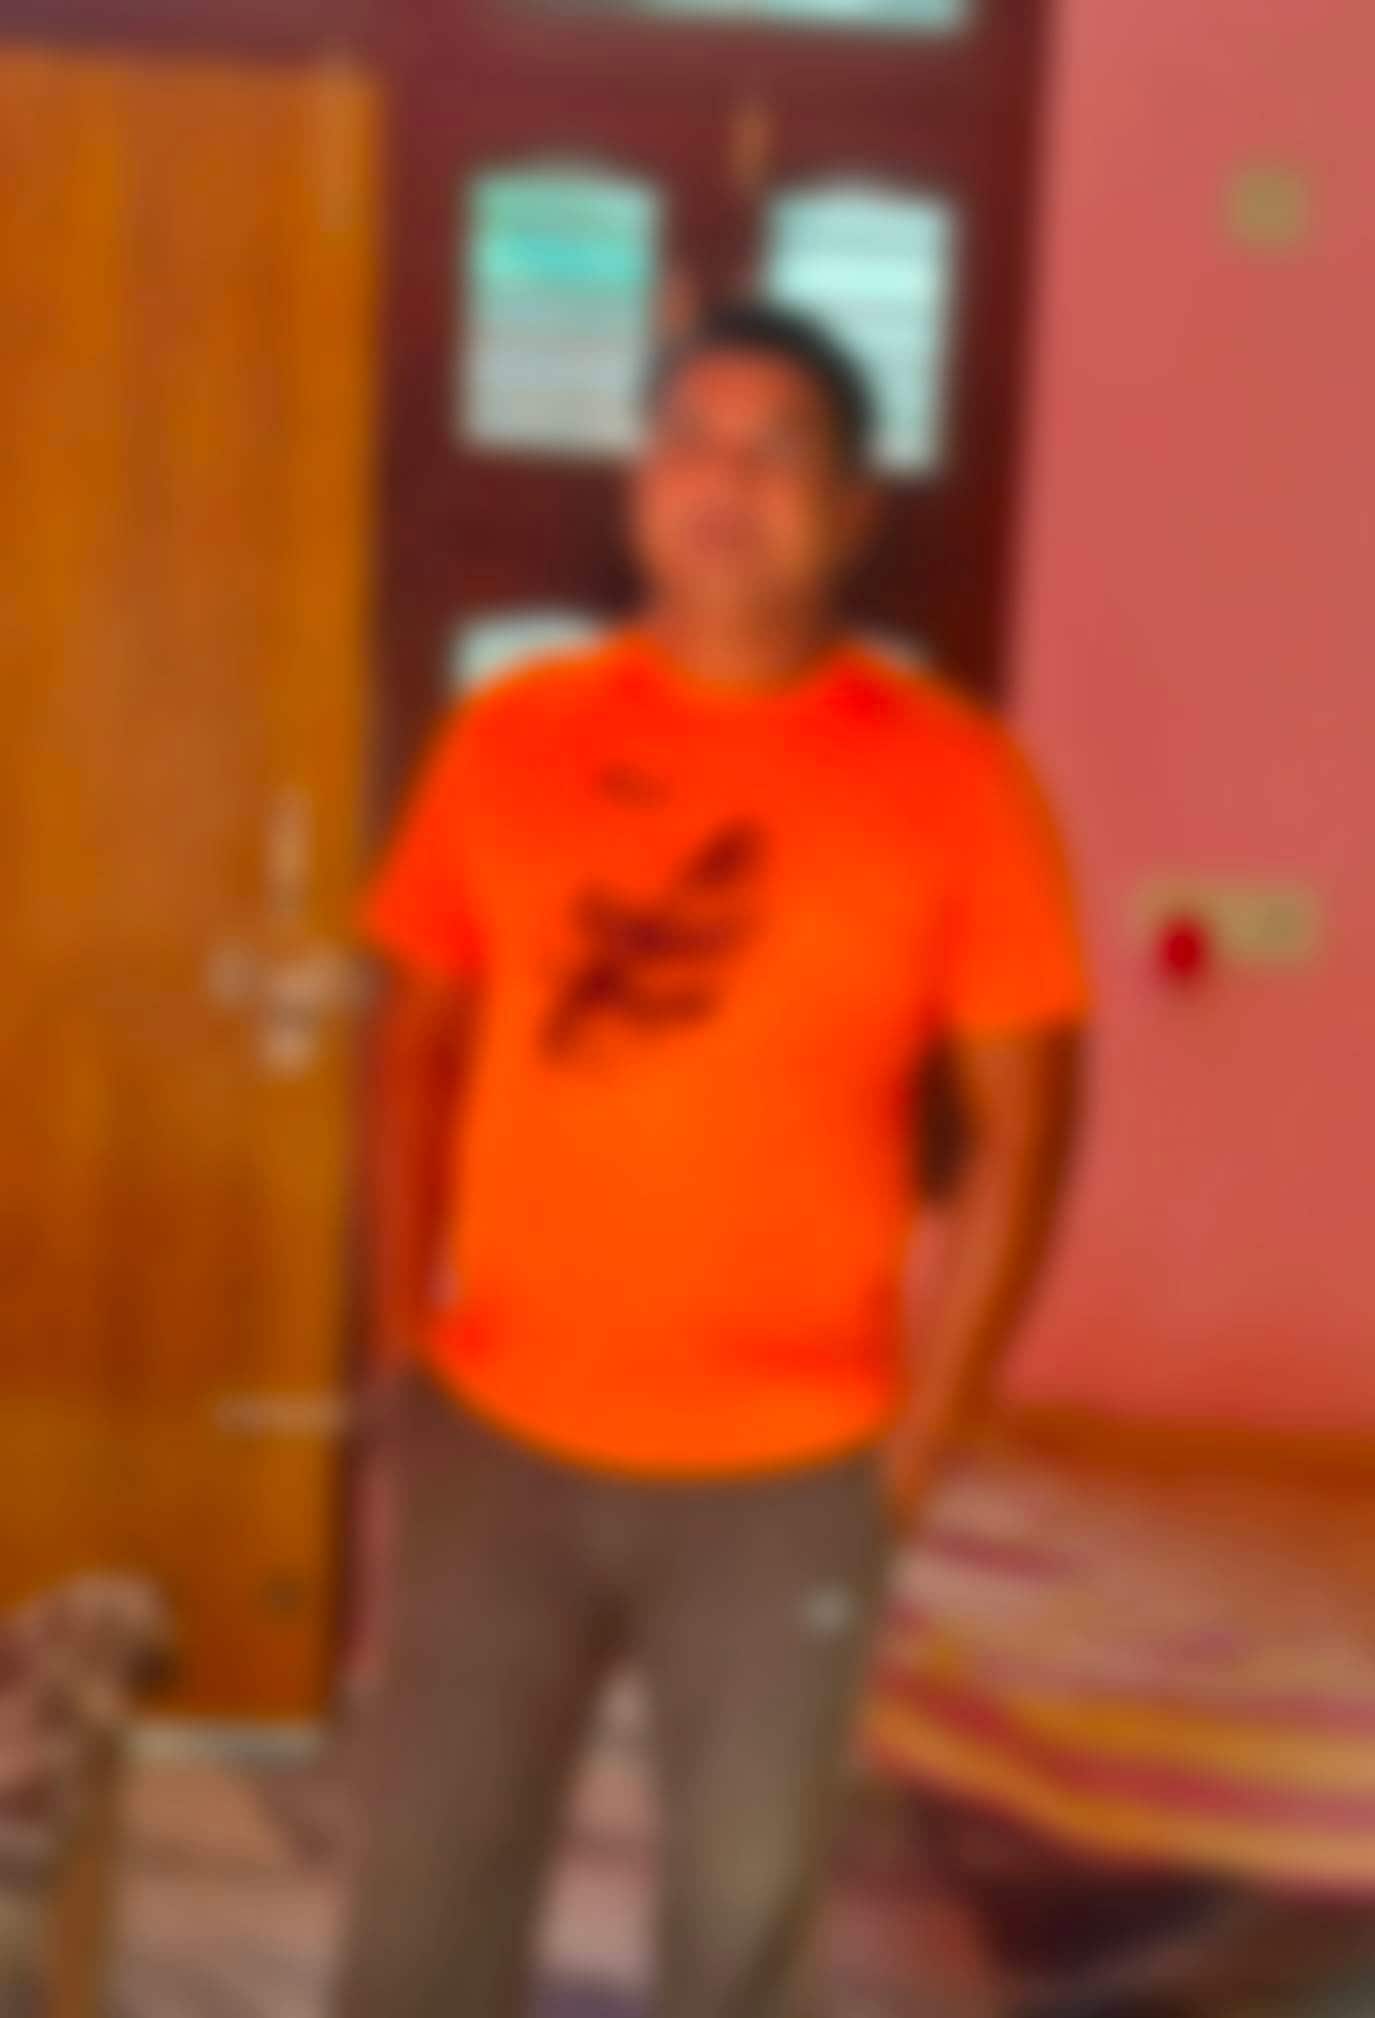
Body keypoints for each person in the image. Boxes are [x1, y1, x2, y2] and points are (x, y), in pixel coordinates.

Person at [339, 302, 1089, 2018]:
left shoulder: (953, 780)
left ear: (852, 508)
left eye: (775, 450)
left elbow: (1028, 1125)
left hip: (793, 1471)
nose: (721, 482)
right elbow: (411, 1044)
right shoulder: (509, 735)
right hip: (498, 1436)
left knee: (739, 1929)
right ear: (636, 483)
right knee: (419, 1911)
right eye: (686, 438)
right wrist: (398, 1335)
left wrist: (927, 1432)